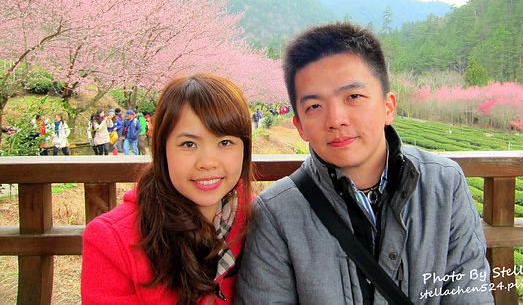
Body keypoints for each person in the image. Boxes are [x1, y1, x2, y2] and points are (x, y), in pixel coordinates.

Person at [235, 22, 493, 304]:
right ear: (299, 126)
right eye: (314, 106)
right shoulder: (276, 214)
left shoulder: (444, 185)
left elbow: (469, 292)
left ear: (388, 107)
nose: (336, 120)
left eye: (353, 97)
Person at [81, 74, 253, 304]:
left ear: (245, 149)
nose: (208, 162)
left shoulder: (258, 219)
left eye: (225, 142)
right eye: (189, 144)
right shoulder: (112, 241)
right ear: (162, 149)